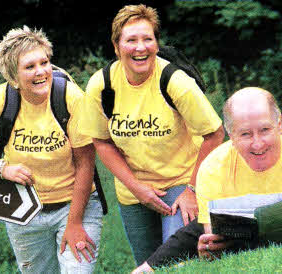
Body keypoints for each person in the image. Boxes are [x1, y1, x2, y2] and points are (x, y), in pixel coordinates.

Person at [133, 87, 282, 273]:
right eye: (245, 134)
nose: (258, 144)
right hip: (243, 235)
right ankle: (142, 270)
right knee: (189, 235)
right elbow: (211, 234)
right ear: (230, 135)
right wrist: (210, 250)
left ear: (279, 124)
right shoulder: (213, 166)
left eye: (265, 130)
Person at [0, 26, 103, 273]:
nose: (41, 72)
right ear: (13, 77)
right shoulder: (1, 99)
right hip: (23, 208)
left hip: (75, 205)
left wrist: (74, 223)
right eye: (30, 67)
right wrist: (1, 168)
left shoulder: (69, 96)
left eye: (45, 62)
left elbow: (86, 161)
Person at [79, 4, 224, 266]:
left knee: (174, 263)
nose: (140, 47)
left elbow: (215, 133)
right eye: (131, 40)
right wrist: (136, 188)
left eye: (148, 39)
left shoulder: (175, 81)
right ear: (116, 46)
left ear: (156, 43)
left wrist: (192, 189)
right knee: (146, 264)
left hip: (180, 183)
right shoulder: (102, 85)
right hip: (132, 189)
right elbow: (101, 141)